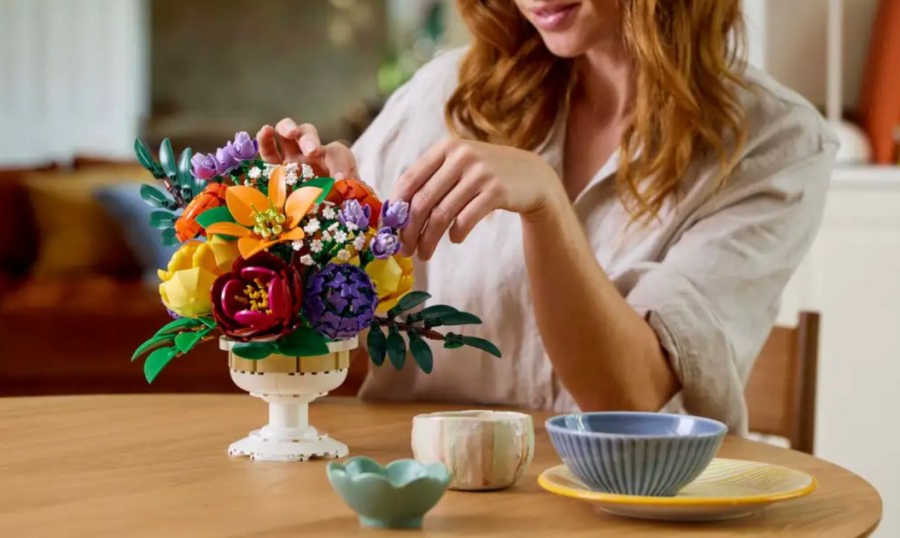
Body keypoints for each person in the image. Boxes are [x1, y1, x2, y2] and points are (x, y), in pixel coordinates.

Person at [256, 0, 837, 433]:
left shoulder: (772, 142)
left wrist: (547, 207)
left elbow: (631, 399)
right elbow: (339, 315)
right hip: (426, 503)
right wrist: (322, 217)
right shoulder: (442, 97)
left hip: (633, 510)